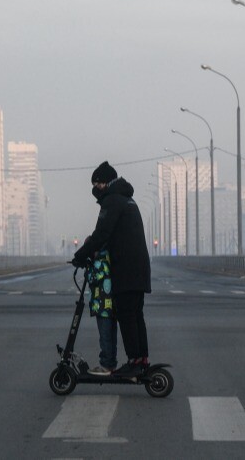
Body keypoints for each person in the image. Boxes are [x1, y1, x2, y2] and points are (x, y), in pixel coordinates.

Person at [72, 161, 151, 377]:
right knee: (135, 315)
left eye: (96, 184)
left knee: (127, 316)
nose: (95, 189)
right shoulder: (127, 199)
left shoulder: (113, 200)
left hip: (126, 269)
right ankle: (141, 359)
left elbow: (102, 233)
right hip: (138, 268)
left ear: (104, 183)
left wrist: (81, 255)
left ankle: (134, 362)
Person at [85, 245, 118, 376]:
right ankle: (111, 363)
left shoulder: (99, 262)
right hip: (111, 306)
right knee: (111, 336)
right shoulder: (110, 259)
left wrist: (88, 267)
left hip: (102, 307)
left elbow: (92, 278)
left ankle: (106, 365)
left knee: (104, 337)